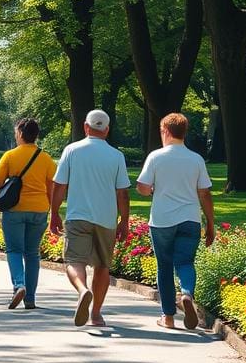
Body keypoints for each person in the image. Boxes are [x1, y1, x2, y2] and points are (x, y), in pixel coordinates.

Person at [49, 109, 130, 327]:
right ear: (107, 129)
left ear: (86, 127)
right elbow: (122, 192)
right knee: (102, 266)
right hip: (106, 219)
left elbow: (59, 185)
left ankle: (83, 290)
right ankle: (96, 314)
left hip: (78, 216)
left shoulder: (72, 151)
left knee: (74, 260)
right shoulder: (116, 156)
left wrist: (54, 213)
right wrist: (125, 221)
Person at [136, 112, 215, 330]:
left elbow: (142, 187)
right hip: (190, 219)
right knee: (185, 262)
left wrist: (151, 189)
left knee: (164, 266)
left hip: (162, 220)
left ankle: (168, 316)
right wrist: (210, 223)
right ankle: (187, 293)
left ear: (166, 131)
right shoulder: (196, 159)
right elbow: (205, 193)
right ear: (184, 133)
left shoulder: (156, 157)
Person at [0, 118, 56, 310]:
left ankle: (19, 285)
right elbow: (52, 188)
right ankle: (30, 298)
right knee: (32, 253)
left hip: (14, 210)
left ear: (20, 134)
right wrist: (53, 211)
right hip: (39, 209)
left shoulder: (10, 156)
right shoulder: (46, 158)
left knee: (14, 250)